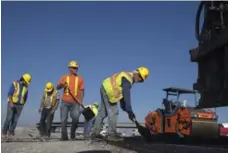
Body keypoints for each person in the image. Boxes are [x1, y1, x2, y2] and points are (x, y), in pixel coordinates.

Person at [91, 67, 149, 141]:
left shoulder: (127, 77)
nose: (139, 80)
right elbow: (126, 95)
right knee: (114, 111)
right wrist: (129, 110)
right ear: (137, 73)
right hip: (109, 90)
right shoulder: (128, 79)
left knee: (102, 112)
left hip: (104, 86)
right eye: (140, 77)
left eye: (141, 80)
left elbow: (122, 96)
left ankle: (95, 133)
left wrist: (126, 109)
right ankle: (111, 134)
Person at [56, 60, 85, 141]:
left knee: (75, 119)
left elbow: (82, 91)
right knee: (63, 119)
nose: (76, 69)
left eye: (76, 68)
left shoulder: (80, 79)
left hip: (75, 103)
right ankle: (64, 137)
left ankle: (72, 135)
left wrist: (80, 101)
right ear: (70, 68)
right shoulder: (64, 77)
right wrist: (62, 85)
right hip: (65, 101)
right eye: (74, 68)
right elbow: (57, 87)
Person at [2, 73, 32, 138]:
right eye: (26, 81)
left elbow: (26, 96)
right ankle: (4, 132)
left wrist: (23, 103)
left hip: (20, 105)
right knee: (9, 118)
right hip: (12, 103)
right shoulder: (15, 84)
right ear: (23, 79)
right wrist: (10, 102)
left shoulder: (26, 87)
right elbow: (9, 93)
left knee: (15, 120)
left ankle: (11, 132)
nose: (27, 83)